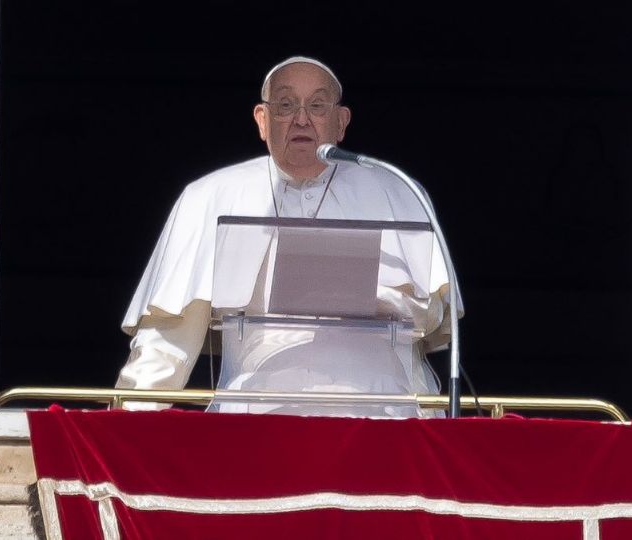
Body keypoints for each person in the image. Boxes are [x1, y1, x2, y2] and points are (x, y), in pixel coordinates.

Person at [116, 56, 458, 415]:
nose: (301, 118)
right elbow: (168, 337)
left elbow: (431, 316)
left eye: (317, 105)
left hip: (379, 415)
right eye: (285, 104)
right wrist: (127, 422)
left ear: (341, 123)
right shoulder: (210, 195)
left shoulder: (398, 190)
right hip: (256, 418)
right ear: (262, 121)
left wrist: (377, 298)